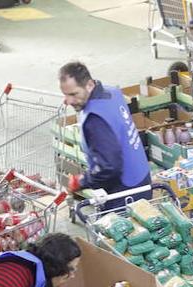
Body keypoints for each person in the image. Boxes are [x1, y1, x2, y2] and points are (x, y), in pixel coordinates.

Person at [58, 61, 152, 197]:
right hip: (141, 174)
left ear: (89, 85)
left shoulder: (95, 120)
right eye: (65, 94)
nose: (68, 101)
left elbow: (108, 168)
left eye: (73, 94)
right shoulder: (111, 92)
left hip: (125, 191)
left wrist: (82, 181)